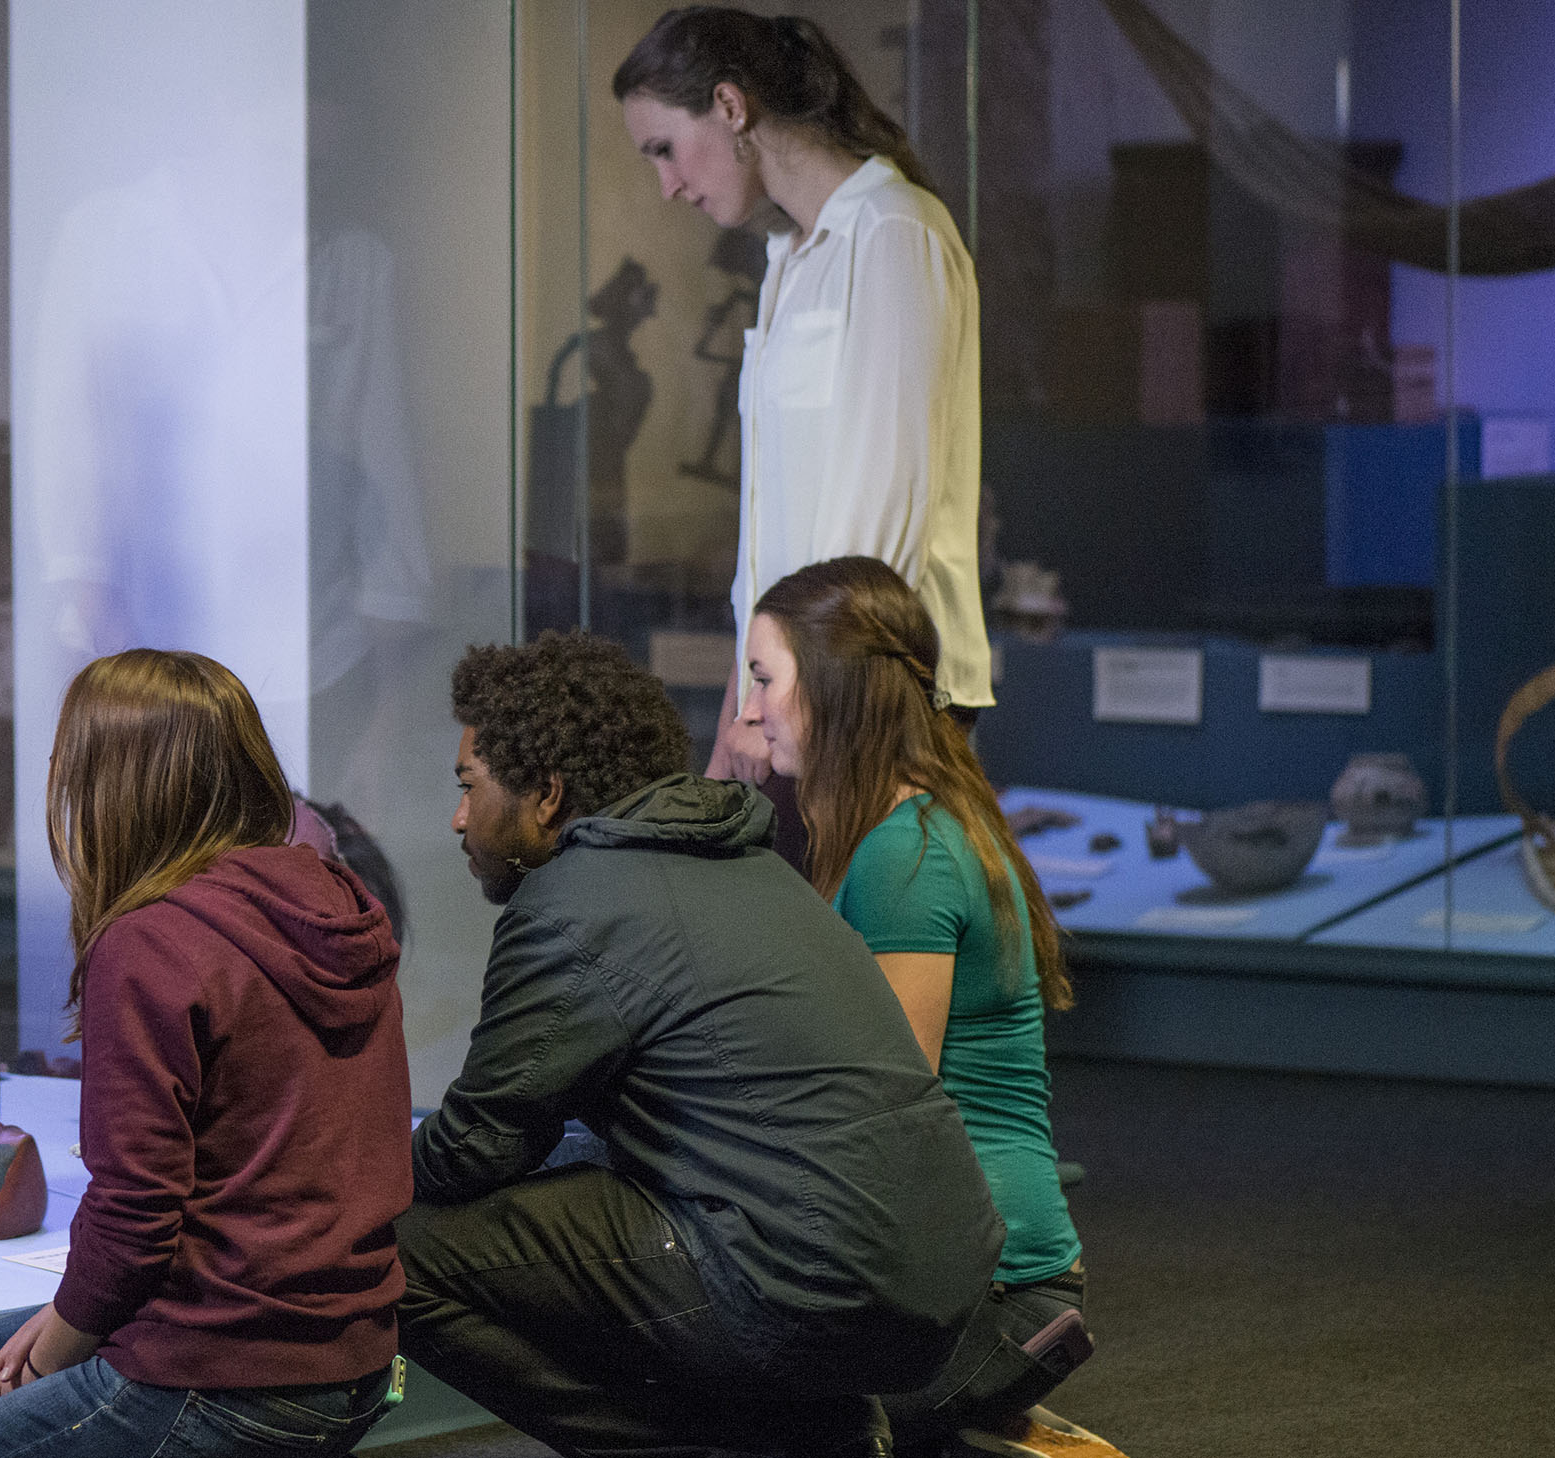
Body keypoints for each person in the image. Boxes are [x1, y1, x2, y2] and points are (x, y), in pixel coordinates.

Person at [402, 630, 1003, 1457]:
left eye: (468, 786)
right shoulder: (756, 869)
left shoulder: (571, 901)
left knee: (384, 1252)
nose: (459, 817)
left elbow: (474, 1148)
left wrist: (353, 1178)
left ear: (545, 794)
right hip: (938, 1282)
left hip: (806, 1281)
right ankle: (818, 1434)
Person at [0, 648, 409, 1457]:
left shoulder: (151, 943)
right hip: (355, 1352)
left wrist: (58, 1348)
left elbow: (133, 1218)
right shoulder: (337, 902)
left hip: (226, 1366)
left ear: (108, 785)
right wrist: (63, 1317)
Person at [746, 558, 1124, 1458]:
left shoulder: (902, 855)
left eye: (762, 679)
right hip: (972, 1273)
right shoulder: (913, 829)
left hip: (986, 1292)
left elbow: (888, 1111)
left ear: (832, 688)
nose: (750, 712)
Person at [610, 7, 992, 802]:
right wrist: (739, 707)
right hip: (798, 696)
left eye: (664, 150)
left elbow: (884, 517)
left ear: (729, 105)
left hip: (869, 698)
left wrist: (781, 701)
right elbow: (769, 540)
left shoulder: (894, 231)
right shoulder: (788, 255)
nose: (667, 187)